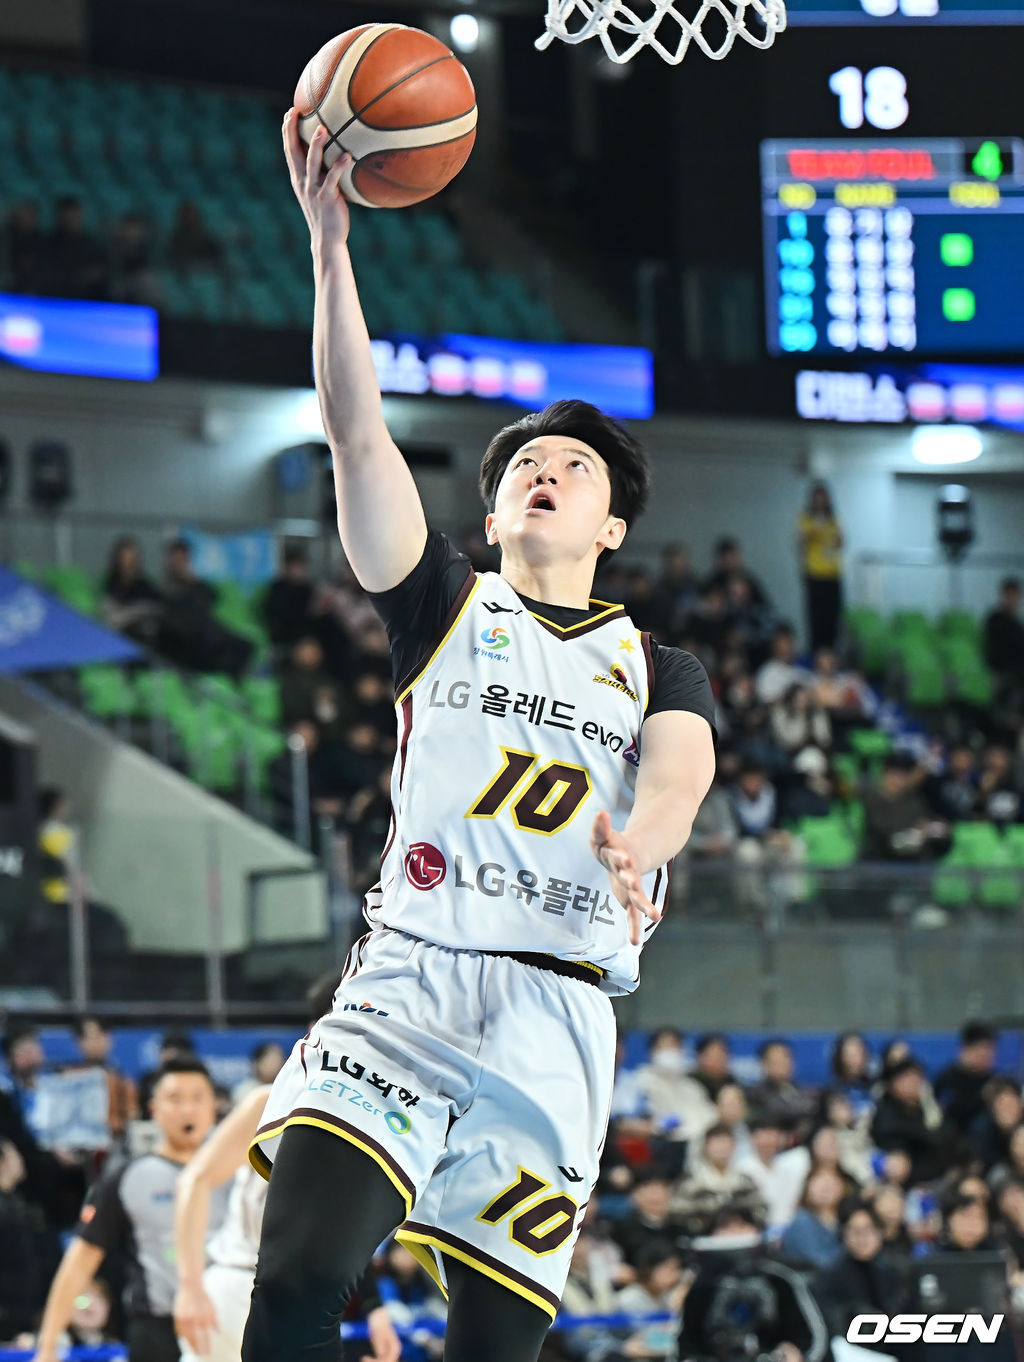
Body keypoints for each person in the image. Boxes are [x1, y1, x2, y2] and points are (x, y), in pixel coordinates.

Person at [242, 111, 717, 1362]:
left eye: (573, 466)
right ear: (496, 512)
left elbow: (680, 773)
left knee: (494, 1350)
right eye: (525, 467)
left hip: (558, 1013)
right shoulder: (444, 605)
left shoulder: (656, 664)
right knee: (295, 1280)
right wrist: (330, 246)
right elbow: (356, 433)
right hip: (412, 980)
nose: (545, 471)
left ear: (611, 528)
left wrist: (645, 840)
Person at [173, 1087, 400, 1362]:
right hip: (242, 1280)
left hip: (304, 1296)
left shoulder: (365, 1110)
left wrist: (374, 1306)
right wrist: (190, 1287)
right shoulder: (276, 1097)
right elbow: (194, 1180)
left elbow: (342, 1227)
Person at [32, 1057, 226, 1362]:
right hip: (156, 1331)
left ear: (214, 1106)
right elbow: (82, 1258)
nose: (187, 1109)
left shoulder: (243, 1171)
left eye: (198, 1098)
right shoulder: (129, 1177)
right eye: (175, 1099)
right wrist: (48, 1344)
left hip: (229, 1323)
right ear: (154, 1109)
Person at [677, 1204, 827, 1362]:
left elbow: (812, 1341)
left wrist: (796, 1353)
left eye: (742, 1225)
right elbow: (686, 1344)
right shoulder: (703, 1285)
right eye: (726, 1227)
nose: (734, 1233)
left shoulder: (780, 1280)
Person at [812, 1199, 907, 1347]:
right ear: (844, 1234)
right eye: (855, 1231)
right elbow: (828, 1322)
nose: (863, 1238)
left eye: (869, 1230)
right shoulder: (829, 1275)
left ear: (880, 1233)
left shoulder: (896, 1270)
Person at [69, 1016, 139, 1145]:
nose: (95, 1042)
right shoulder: (68, 1080)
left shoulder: (123, 1081)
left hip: (114, 1144)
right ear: (78, 1042)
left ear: (109, 1039)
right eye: (89, 1037)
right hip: (75, 1144)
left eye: (100, 1036)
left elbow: (132, 1117)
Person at [797, 483, 843, 653]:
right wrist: (814, 530)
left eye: (823, 499)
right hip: (815, 575)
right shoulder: (806, 519)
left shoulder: (833, 519)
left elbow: (840, 542)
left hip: (833, 575)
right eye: (817, 499)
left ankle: (831, 655)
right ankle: (817, 655)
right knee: (817, 620)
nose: (820, 502)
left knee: (833, 620)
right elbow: (800, 543)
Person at [933, 1021, 998, 1136]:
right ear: (965, 1050)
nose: (986, 1057)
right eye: (981, 1052)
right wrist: (981, 1097)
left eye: (990, 1052)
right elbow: (947, 1113)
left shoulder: (994, 1081)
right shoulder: (947, 1079)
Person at [101, 536, 165, 647]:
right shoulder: (109, 584)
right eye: (124, 559)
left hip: (140, 639)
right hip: (116, 638)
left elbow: (158, 608)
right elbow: (108, 616)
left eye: (132, 559)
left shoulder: (145, 586)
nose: (128, 564)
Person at [778, 1165, 846, 1270]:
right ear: (807, 1188)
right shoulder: (802, 1222)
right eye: (820, 1183)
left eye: (831, 1183)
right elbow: (820, 1263)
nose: (826, 1187)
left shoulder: (845, 1221)